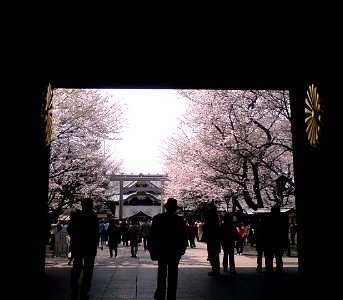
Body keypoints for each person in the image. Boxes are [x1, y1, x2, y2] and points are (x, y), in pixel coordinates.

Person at [149, 197, 188, 300]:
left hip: (162, 249)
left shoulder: (157, 218)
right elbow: (184, 236)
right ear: (175, 208)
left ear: (166, 207)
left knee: (161, 272)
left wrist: (152, 250)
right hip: (174, 250)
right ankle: (171, 295)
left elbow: (152, 236)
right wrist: (182, 249)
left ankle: (160, 293)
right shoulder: (179, 220)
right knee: (173, 273)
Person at [67, 198, 99, 300]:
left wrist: (74, 239)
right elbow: (96, 232)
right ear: (89, 205)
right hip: (90, 246)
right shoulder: (93, 216)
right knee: (88, 270)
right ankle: (84, 291)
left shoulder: (75, 215)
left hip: (78, 245)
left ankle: (74, 289)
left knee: (76, 268)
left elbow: (70, 229)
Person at [262, 204, 289, 273]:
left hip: (269, 241)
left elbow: (264, 230)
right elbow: (285, 230)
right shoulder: (283, 218)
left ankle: (269, 271)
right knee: (279, 258)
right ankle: (279, 271)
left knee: (269, 258)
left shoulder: (267, 218)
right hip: (280, 241)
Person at [203, 201, 221, 276]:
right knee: (215, 254)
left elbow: (206, 228)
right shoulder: (216, 217)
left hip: (211, 238)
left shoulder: (210, 217)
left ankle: (215, 269)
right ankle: (216, 269)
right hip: (216, 238)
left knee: (212, 253)